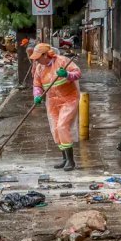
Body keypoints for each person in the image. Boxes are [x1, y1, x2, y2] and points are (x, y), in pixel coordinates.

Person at [31, 43, 81, 171]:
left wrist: (67, 75)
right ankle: (64, 158)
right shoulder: (39, 68)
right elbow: (37, 85)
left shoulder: (62, 61)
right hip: (52, 101)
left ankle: (71, 160)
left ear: (45, 55)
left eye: (38, 57)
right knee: (55, 129)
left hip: (69, 98)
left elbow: (77, 73)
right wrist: (37, 95)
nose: (36, 60)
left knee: (62, 126)